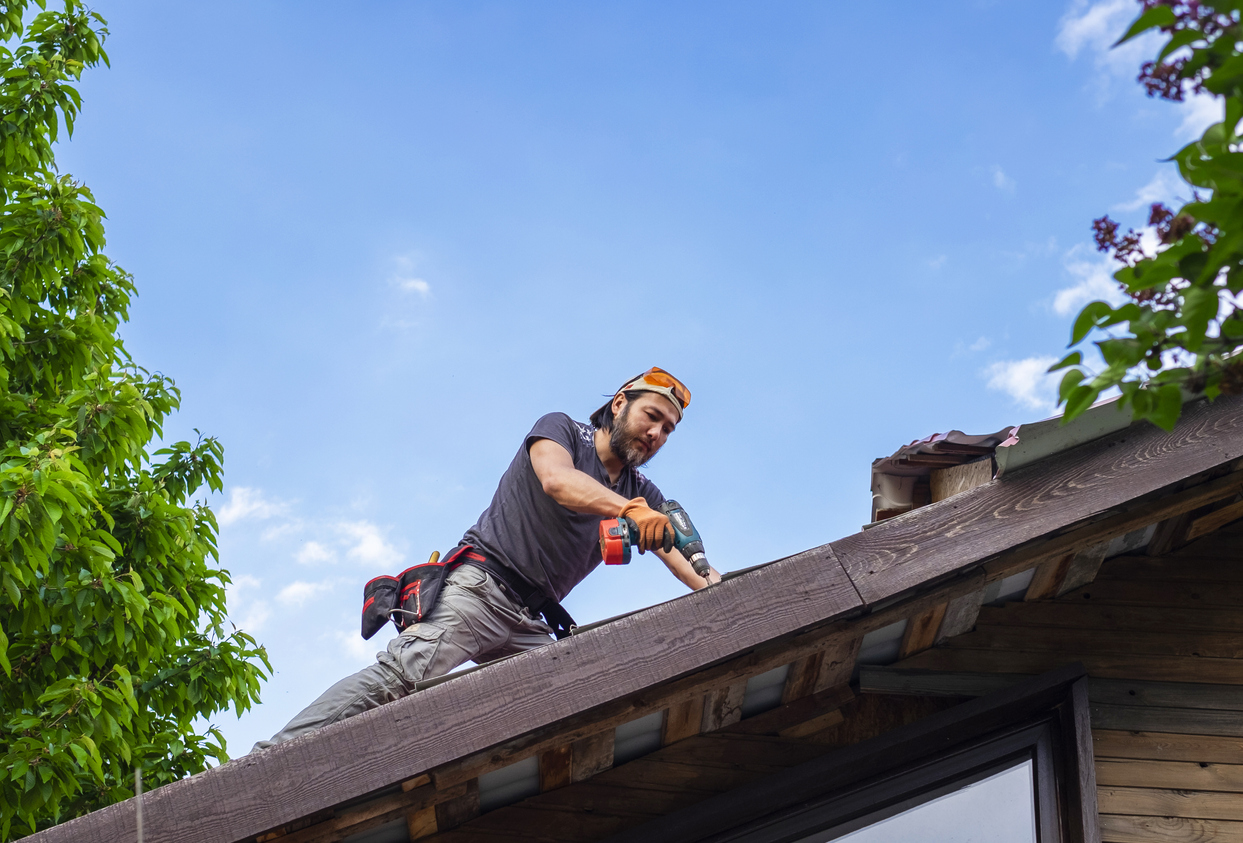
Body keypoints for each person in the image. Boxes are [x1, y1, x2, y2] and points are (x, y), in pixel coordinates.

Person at [253, 367, 720, 750]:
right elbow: (557, 481)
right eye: (652, 416)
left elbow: (688, 559)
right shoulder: (563, 431)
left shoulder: (643, 492)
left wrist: (719, 591)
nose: (656, 433)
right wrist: (628, 510)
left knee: (576, 704)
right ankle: (271, 757)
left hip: (531, 621)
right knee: (403, 676)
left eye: (667, 429)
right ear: (620, 403)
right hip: (480, 589)